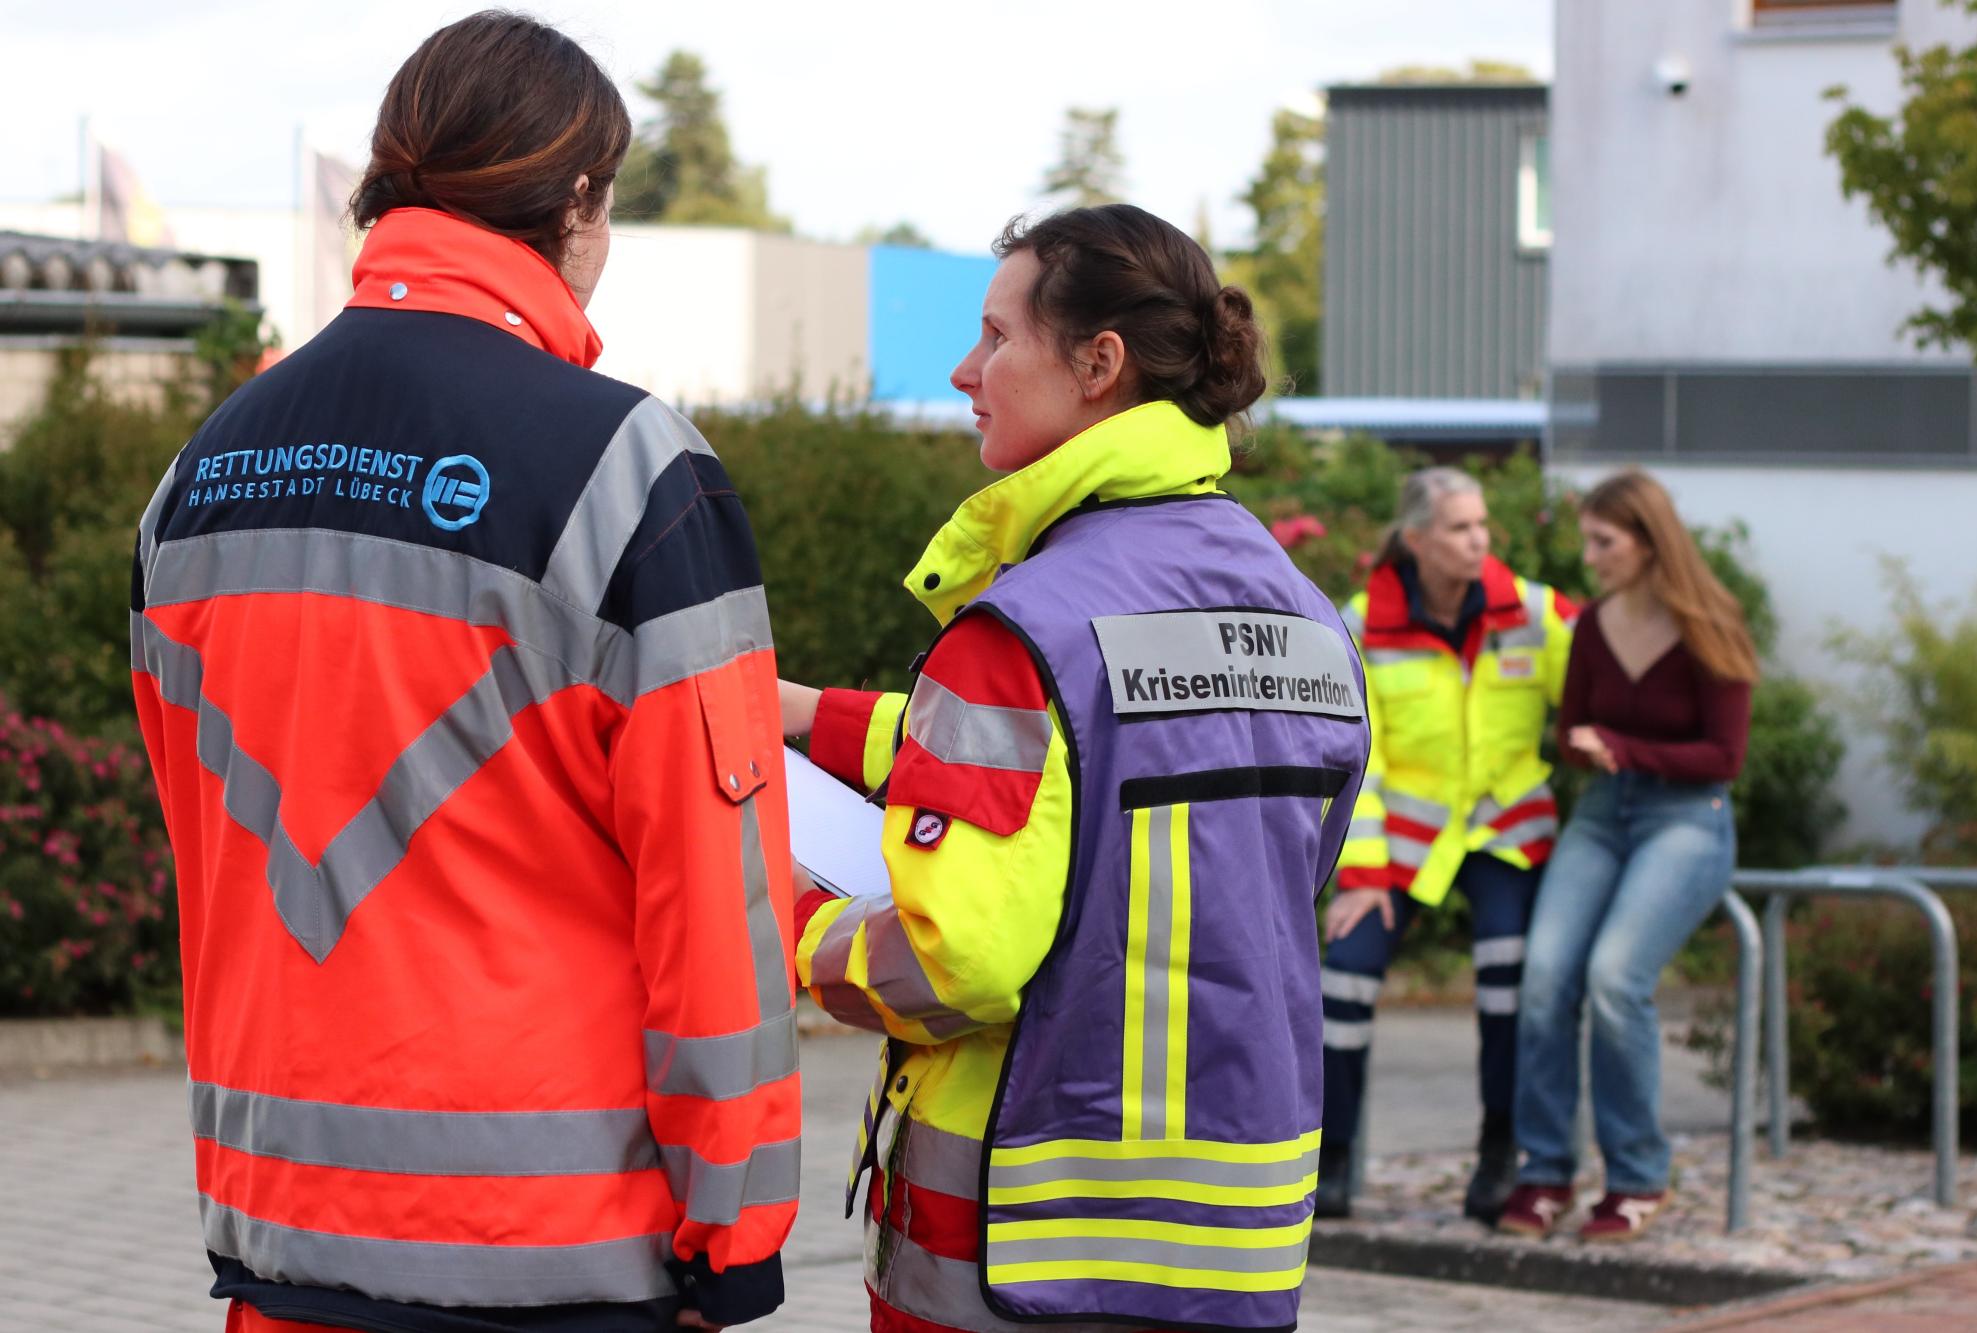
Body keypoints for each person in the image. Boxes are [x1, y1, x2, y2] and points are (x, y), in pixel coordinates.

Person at [128, 14, 799, 1331]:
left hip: (283, 1246)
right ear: (580, 201)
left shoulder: (198, 475)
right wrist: (733, 1238)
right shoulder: (631, 469)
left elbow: (205, 835)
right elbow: (713, 906)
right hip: (561, 1260)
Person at [780, 204, 1369, 1333]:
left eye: (997, 336)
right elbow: (1116, 770)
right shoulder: (1305, 617)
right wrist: (812, 715)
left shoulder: (1022, 625)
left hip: (1009, 1245)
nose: (965, 372)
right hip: (1237, 1247)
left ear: (1098, 365)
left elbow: (956, 963)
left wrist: (792, 919)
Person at [1498, 469, 1755, 1243]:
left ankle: (1638, 1176)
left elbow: (1725, 756)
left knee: (1615, 977)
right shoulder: (1592, 627)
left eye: (1603, 541)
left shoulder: (1712, 624)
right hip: (1605, 814)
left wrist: (1624, 747)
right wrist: (1590, 748)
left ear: (1648, 541)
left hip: (1688, 817)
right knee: (1546, 975)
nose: (1590, 556)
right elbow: (1572, 730)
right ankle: (1546, 1170)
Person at [1315, 470, 1577, 1224]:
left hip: (1505, 833)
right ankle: (1334, 1160)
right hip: (1403, 840)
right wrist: (1363, 872)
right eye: (1461, 528)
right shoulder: (1362, 625)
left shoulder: (1534, 612)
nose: (1479, 540)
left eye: (1483, 525)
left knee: (1507, 978)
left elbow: (1602, 685)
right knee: (1345, 980)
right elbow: (1356, 758)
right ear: (1417, 540)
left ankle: (1500, 1152)